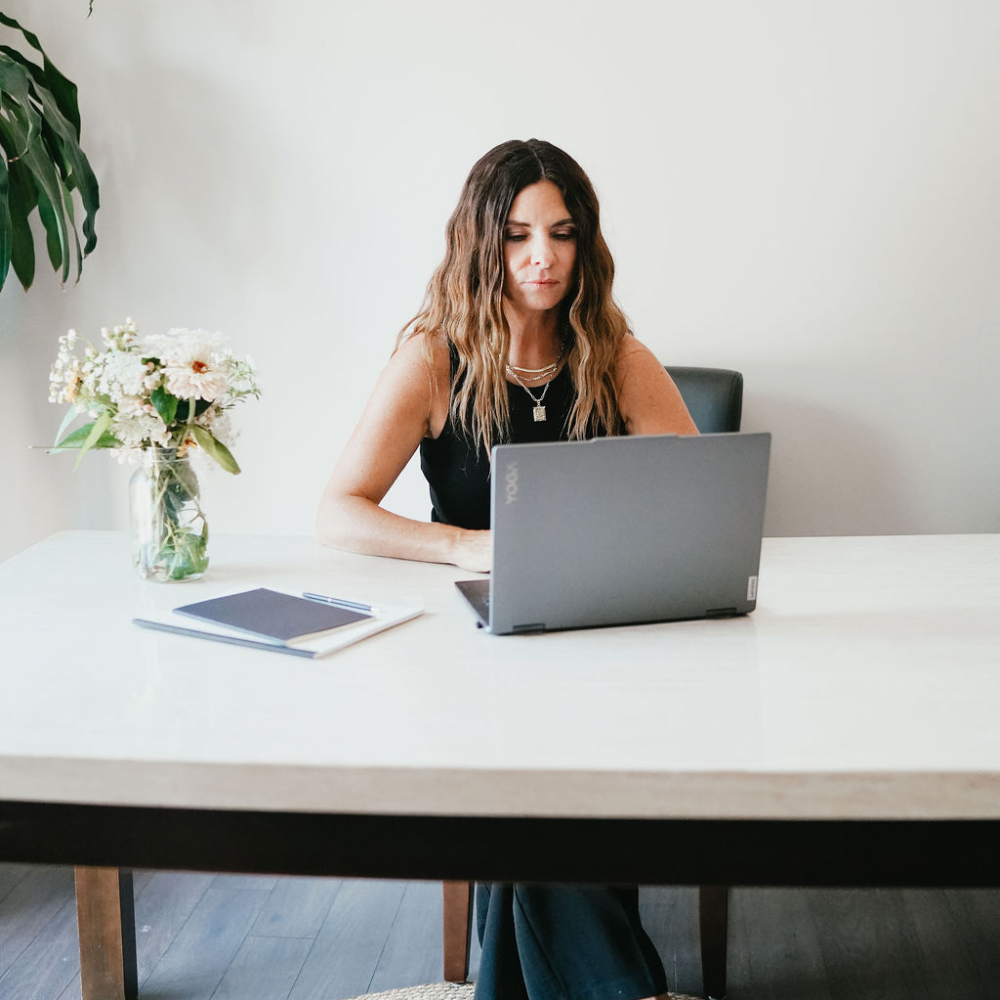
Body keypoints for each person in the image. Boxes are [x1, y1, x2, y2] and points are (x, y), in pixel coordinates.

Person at [318, 139, 697, 1000]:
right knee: (535, 783)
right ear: (481, 241)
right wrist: (465, 544)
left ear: (585, 244)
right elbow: (337, 509)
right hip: (474, 645)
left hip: (601, 638)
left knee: (538, 794)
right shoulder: (433, 359)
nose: (541, 257)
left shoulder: (616, 356)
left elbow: (694, 500)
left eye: (562, 234)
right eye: (519, 233)